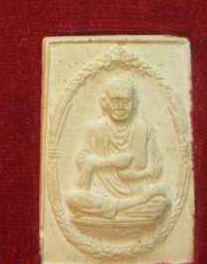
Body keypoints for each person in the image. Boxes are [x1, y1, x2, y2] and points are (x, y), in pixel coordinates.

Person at [66, 77, 171, 223]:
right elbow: (82, 160)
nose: (120, 106)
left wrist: (136, 175)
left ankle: (114, 210)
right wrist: (111, 162)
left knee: (162, 202)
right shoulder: (94, 129)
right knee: (72, 199)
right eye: (115, 101)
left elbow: (156, 168)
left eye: (125, 101)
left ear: (134, 102)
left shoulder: (144, 129)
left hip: (136, 191)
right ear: (104, 102)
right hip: (101, 194)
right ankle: (130, 207)